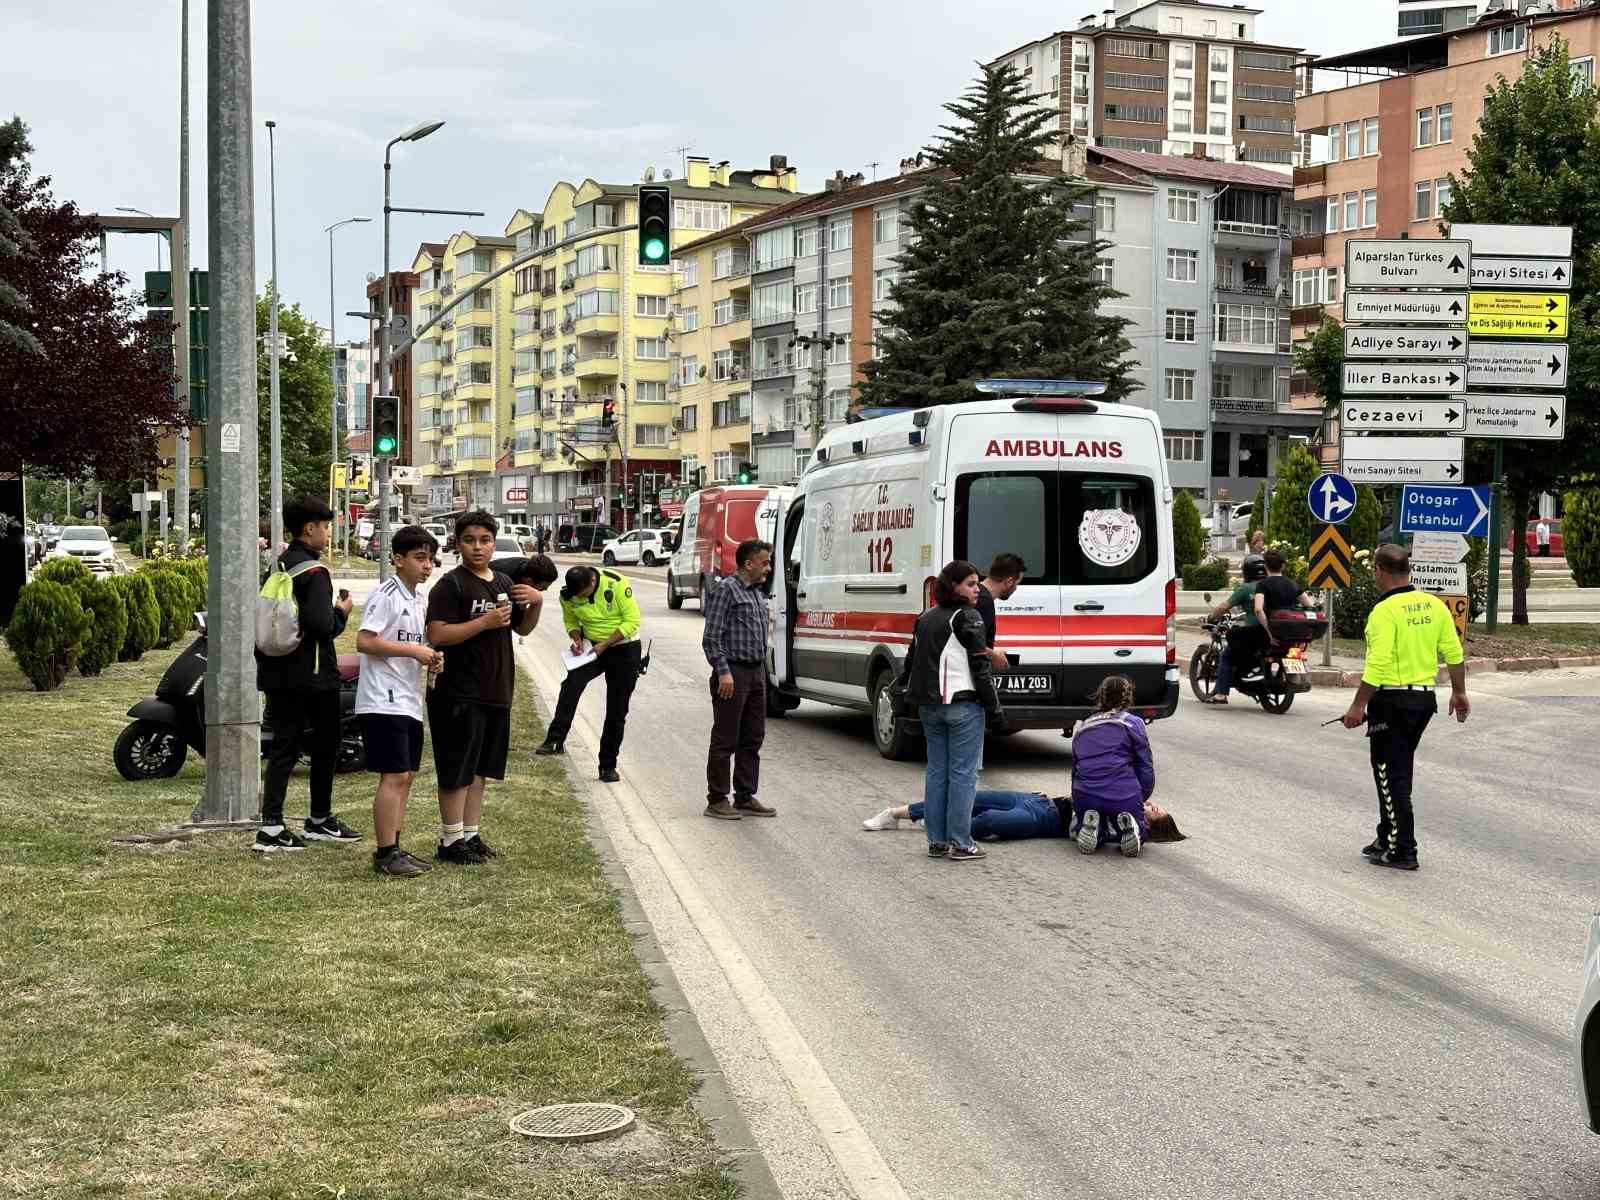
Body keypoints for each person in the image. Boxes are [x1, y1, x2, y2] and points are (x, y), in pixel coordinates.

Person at [1341, 544, 1469, 871]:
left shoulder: (1384, 612)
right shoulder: (1433, 605)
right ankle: (1387, 836)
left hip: (1392, 700)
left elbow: (1378, 666)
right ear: (1408, 571)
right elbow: (1453, 653)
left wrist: (1358, 706)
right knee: (1398, 770)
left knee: (1389, 774)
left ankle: (1403, 849)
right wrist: (1459, 693)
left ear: (1380, 571)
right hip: (1423, 701)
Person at [425, 511, 542, 865]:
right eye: (470, 540)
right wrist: (484, 621)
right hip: (459, 691)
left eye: (485, 540)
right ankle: (450, 840)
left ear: (494, 542)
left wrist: (536, 603)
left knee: (479, 769)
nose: (478, 547)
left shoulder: (504, 582)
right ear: (457, 543)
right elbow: (437, 634)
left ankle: (470, 834)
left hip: (496, 688)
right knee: (457, 769)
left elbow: (521, 630)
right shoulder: (451, 584)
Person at [253, 496, 359, 853]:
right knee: (326, 745)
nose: (328, 534)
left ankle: (272, 823)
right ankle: (317, 820)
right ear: (309, 528)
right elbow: (320, 625)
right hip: (313, 676)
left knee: (284, 745)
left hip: (279, 671)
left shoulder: (281, 565)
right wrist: (341, 611)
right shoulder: (315, 573)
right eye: (326, 527)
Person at [355, 525, 443, 877]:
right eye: (420, 558)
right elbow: (365, 641)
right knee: (393, 775)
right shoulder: (386, 595)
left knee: (405, 775)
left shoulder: (419, 598)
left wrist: (430, 656)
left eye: (431, 559)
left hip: (407, 697)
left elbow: (412, 646)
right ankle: (385, 852)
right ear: (397, 559)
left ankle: (396, 845)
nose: (427, 565)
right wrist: (414, 650)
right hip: (382, 698)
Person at [900, 559, 1001, 861]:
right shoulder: (969, 617)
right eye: (970, 584)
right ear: (954, 587)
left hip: (929, 706)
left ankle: (937, 841)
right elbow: (980, 668)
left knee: (936, 772)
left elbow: (910, 662)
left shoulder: (926, 616)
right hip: (962, 704)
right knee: (963, 775)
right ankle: (961, 842)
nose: (977, 590)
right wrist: (995, 709)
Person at [537, 562, 643, 783]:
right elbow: (571, 619)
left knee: (616, 708)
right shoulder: (568, 595)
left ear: (592, 582)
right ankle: (555, 740)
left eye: (584, 594)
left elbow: (632, 621)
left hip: (623, 647)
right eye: (579, 597)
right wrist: (575, 636)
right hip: (591, 647)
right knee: (571, 685)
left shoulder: (616, 584)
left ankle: (607, 765)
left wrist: (606, 644)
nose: (582, 599)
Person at [702, 539, 776, 820]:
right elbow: (711, 638)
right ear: (748, 564)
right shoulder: (727, 590)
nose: (768, 568)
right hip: (733, 673)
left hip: (756, 672)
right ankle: (717, 799)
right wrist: (723, 672)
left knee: (753, 736)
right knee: (725, 738)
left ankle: (744, 795)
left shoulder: (757, 592)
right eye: (765, 562)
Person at [862, 793, 1186, 844]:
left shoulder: (1124, 828)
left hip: (1042, 821)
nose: (1151, 803)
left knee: (987, 822)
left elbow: (1126, 840)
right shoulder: (1124, 798)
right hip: (1035, 798)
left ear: (1151, 825)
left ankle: (939, 826)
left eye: (1155, 811)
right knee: (967, 796)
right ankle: (895, 814)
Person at [1070, 676, 1156, 858]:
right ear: (1128, 697)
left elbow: (1075, 769)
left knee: (1091, 821)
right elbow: (1145, 765)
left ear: (1100, 696)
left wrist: (1077, 801)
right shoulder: (1133, 723)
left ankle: (1093, 827)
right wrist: (1142, 795)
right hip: (1122, 793)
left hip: (1084, 792)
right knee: (1139, 829)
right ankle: (1131, 829)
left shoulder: (1083, 725)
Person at [1207, 554, 1268, 705]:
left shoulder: (1246, 588)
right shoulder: (1270, 585)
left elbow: (1224, 607)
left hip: (1255, 632)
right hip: (1273, 631)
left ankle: (1221, 694)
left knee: (1227, 654)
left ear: (1247, 571)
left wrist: (1211, 616)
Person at [975, 552, 1027, 672]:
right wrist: (994, 656)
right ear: (1009, 582)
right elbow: (971, 644)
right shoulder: (984, 601)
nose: (1015, 588)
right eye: (1017, 584)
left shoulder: (978, 594)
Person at [490, 550, 560, 594]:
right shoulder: (502, 579)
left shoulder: (530, 566)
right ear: (529, 581)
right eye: (543, 587)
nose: (545, 589)